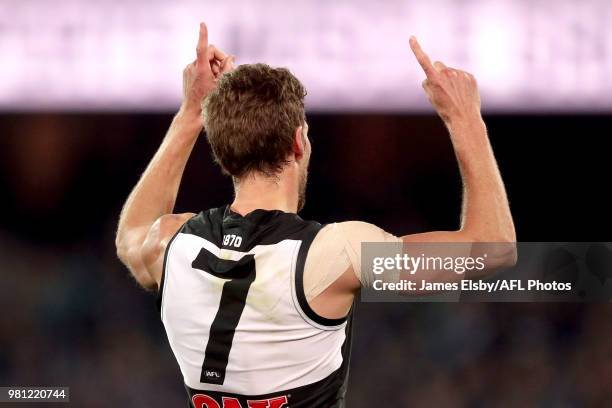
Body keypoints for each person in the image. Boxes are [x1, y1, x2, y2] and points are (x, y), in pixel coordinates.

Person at [115, 22, 516, 408]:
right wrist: (464, 118)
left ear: (221, 151)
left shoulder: (168, 243)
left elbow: (130, 232)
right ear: (299, 143)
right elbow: (494, 248)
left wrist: (190, 113)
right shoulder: (334, 254)